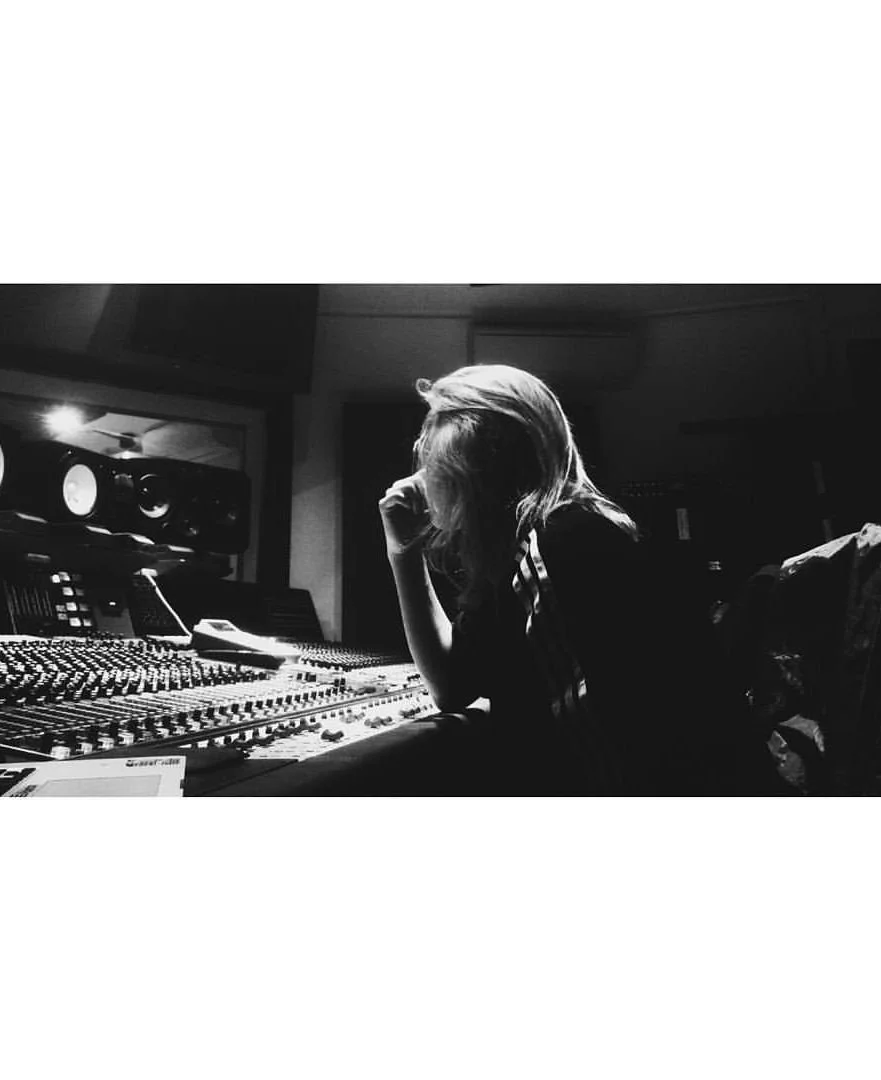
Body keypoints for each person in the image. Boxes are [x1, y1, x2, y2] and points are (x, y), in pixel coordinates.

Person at [378, 363, 779, 795]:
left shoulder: (554, 549)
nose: (423, 466)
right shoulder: (551, 538)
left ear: (471, 460)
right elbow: (454, 684)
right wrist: (404, 549)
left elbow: (605, 749)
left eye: (431, 449)